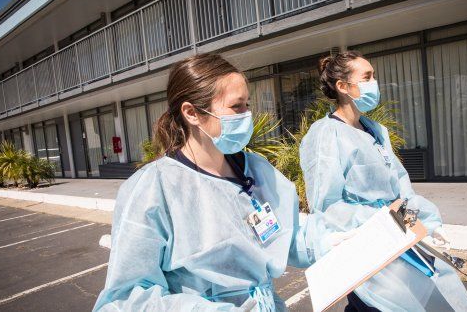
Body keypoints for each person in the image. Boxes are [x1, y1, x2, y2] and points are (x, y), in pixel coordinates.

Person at [93, 54, 311, 311]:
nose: (247, 115)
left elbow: (288, 234)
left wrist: (336, 240)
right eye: (236, 106)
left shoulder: (254, 169)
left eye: (247, 104)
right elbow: (127, 298)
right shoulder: (153, 188)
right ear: (192, 113)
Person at [299, 51, 467, 311]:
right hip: (367, 242)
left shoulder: (375, 130)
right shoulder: (326, 134)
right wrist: (375, 220)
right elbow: (327, 204)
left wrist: (427, 219)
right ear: (343, 86)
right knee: (382, 304)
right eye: (367, 77)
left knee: (433, 291)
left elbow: (400, 185)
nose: (374, 83)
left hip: (398, 232)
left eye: (374, 76)